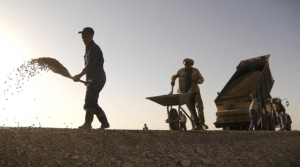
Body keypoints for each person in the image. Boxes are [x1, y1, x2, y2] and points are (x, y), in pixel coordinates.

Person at [73, 27, 110, 130]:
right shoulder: (88, 49)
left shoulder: (94, 48)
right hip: (93, 79)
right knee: (93, 102)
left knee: (89, 100)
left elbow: (90, 66)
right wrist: (87, 80)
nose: (83, 39)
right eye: (82, 37)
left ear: (91, 36)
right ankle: (104, 122)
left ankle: (87, 124)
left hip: (98, 78)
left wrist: (79, 76)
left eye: (85, 37)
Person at [171, 58, 208, 130]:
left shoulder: (195, 71)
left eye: (188, 63)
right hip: (185, 94)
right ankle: (197, 125)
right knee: (192, 110)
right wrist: (173, 81)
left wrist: (197, 80)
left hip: (195, 91)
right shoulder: (180, 71)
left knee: (200, 106)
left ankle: (202, 123)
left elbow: (202, 79)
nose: (186, 65)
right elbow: (173, 76)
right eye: (185, 64)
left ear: (191, 64)